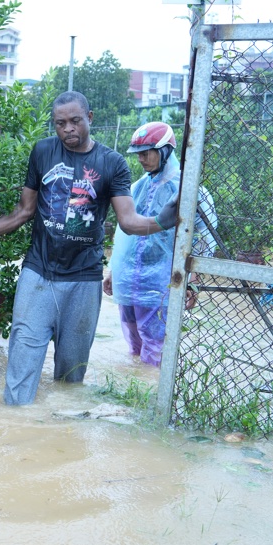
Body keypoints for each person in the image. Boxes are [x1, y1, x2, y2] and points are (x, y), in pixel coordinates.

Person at [0, 91, 178, 405]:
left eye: (74, 121)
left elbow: (128, 221)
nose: (67, 129)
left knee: (71, 375)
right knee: (22, 361)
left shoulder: (112, 163)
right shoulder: (42, 152)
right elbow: (23, 212)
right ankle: (16, 428)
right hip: (38, 274)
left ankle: (59, 438)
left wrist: (162, 221)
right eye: (60, 123)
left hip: (83, 279)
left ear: (90, 118)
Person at [102, 123, 181, 366]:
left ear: (165, 150)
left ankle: (151, 392)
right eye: (138, 154)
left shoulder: (184, 190)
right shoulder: (137, 187)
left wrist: (192, 282)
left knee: (156, 346)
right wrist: (114, 271)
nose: (141, 159)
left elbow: (204, 235)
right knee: (133, 346)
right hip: (129, 280)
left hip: (161, 281)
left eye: (146, 153)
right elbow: (123, 233)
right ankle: (134, 390)